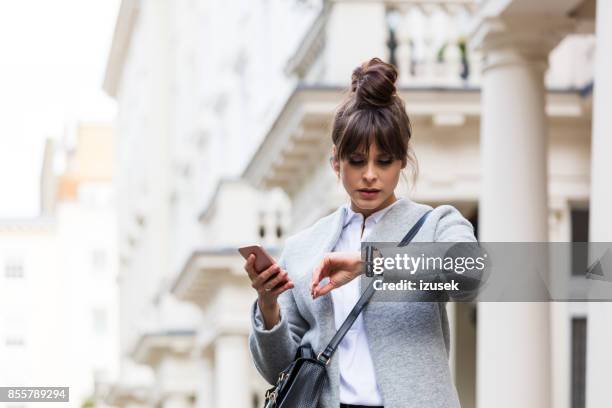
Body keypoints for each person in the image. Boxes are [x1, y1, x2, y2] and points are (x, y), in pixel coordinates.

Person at [244, 58, 478, 408]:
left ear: (402, 161)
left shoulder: (437, 225)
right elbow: (280, 369)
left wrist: (369, 263)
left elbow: (471, 275)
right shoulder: (303, 248)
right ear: (336, 161)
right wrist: (268, 305)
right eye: (357, 160)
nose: (370, 175)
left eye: (383, 161)